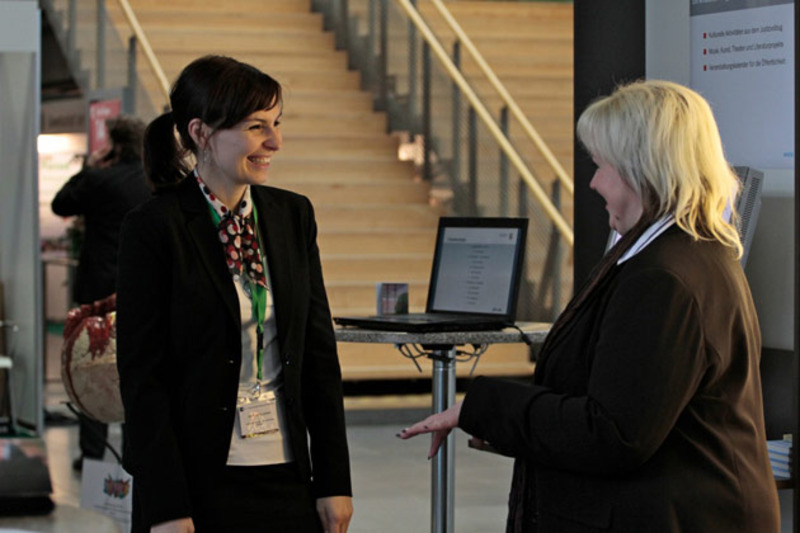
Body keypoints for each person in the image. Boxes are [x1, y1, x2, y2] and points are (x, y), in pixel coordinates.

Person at [398, 80, 781, 532]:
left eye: (602, 165)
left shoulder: (665, 277)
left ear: (644, 168)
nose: (595, 182)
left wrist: (486, 407)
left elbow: (613, 432)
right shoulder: (685, 255)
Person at [115, 55, 353, 533]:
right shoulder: (154, 227)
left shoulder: (291, 216)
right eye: (255, 127)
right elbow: (143, 376)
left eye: (277, 124)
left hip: (287, 473)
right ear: (201, 132)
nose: (275, 142)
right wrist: (165, 504)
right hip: (194, 480)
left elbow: (319, 356)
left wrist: (334, 479)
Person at [51, 115, 151, 471]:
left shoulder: (98, 179)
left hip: (98, 287)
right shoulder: (154, 182)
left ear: (115, 145)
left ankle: (93, 455)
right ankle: (137, 451)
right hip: (142, 290)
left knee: (90, 365)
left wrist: (88, 166)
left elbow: (61, 204)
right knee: (139, 367)